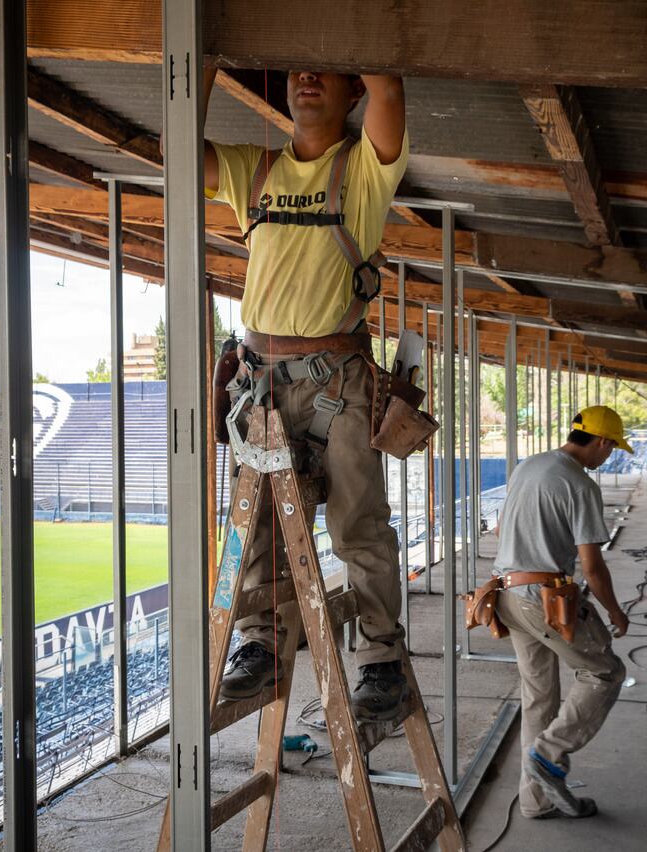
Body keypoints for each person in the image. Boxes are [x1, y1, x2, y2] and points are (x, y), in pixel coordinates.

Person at [191, 68, 410, 720]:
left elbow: (391, 91)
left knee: (357, 523)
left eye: (327, 74)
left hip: (335, 381)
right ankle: (259, 644)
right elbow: (176, 149)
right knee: (253, 521)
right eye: (298, 70)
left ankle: (379, 657)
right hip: (261, 381)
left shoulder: (362, 173)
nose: (307, 78)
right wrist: (198, 63)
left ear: (352, 96)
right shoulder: (254, 172)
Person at [492, 405, 632, 818]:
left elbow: (501, 529)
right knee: (605, 672)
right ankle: (549, 755)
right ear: (602, 442)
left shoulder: (528, 465)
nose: (609, 457)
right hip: (542, 598)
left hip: (504, 593)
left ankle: (535, 802)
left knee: (539, 697)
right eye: (612, 449)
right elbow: (592, 566)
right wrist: (615, 612)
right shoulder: (581, 485)